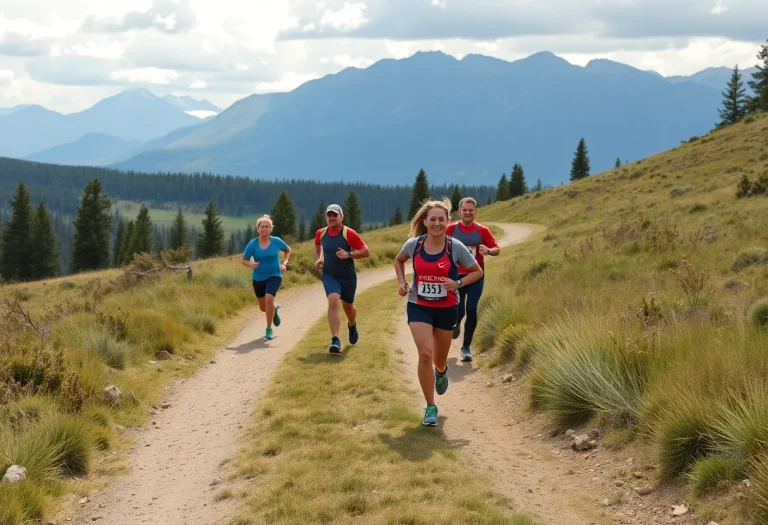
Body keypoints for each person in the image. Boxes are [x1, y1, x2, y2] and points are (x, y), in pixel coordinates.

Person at [394, 198, 483, 427]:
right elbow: (399, 260)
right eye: (432, 219)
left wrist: (458, 283)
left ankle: (441, 371)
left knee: (438, 359)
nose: (436, 223)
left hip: (446, 308)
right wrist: (402, 282)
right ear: (424, 221)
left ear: (447, 222)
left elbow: (477, 271)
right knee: (425, 353)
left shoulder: (456, 247)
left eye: (441, 219)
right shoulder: (414, 244)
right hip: (419, 305)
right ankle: (430, 406)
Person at [446, 197, 500, 362]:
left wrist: (488, 251)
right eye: (465, 210)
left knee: (471, 309)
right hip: (457, 276)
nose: (468, 213)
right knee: (459, 310)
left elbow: (497, 249)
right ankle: (455, 326)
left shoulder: (482, 230)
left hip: (476, 276)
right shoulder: (451, 229)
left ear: (475, 212)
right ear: (459, 211)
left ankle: (466, 347)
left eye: (471, 210)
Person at [314, 204, 370, 353]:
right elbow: (318, 244)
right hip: (329, 274)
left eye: (335, 215)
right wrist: (318, 259)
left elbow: (366, 251)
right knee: (332, 300)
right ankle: (335, 340)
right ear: (326, 217)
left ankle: (352, 325)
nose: (332, 218)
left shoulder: (348, 233)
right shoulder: (321, 233)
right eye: (329, 215)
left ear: (341, 217)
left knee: (348, 307)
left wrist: (349, 255)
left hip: (347, 276)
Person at [242, 215, 291, 341]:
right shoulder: (253, 244)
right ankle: (273, 309)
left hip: (275, 275)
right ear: (258, 229)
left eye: (267, 226)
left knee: (269, 298)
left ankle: (268, 329)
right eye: (262, 227)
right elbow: (244, 259)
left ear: (271, 229)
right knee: (263, 307)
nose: (264, 229)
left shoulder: (276, 241)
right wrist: (250, 264)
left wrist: (284, 263)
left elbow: (287, 250)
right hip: (258, 277)